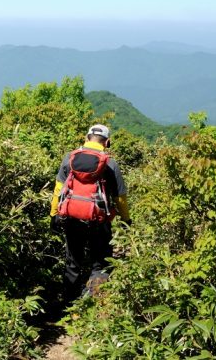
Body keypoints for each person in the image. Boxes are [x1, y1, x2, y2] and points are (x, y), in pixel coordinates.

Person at [49, 124, 130, 302]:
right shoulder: (110, 164)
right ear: (107, 142)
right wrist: (126, 220)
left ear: (86, 138)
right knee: (100, 262)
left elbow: (58, 189)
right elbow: (120, 197)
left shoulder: (69, 158)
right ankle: (93, 304)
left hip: (71, 218)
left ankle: (69, 304)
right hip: (99, 221)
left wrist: (54, 215)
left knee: (73, 261)